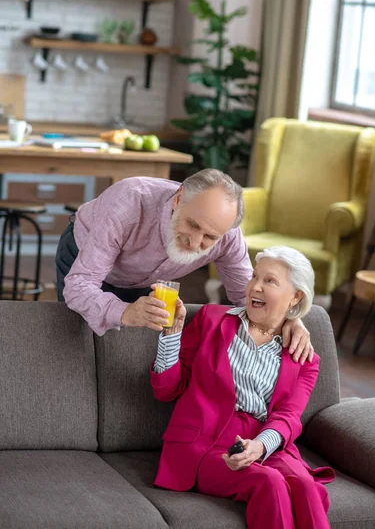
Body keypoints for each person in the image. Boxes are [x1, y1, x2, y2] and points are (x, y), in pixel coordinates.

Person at [150, 246, 335, 529]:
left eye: (270, 281)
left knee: (306, 488)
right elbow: (167, 390)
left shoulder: (304, 358)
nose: (255, 287)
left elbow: (288, 415)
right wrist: (171, 334)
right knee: (269, 481)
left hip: (266, 442)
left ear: (295, 296)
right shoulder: (211, 320)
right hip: (206, 443)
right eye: (254, 277)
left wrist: (260, 446)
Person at [56, 169, 313, 363]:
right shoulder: (129, 201)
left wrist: (289, 319)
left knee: (126, 352)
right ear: (179, 199)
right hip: (82, 259)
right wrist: (123, 312)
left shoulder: (228, 237)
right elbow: (79, 286)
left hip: (142, 281)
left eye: (210, 237)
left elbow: (246, 297)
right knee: (73, 343)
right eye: (192, 225)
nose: (195, 243)